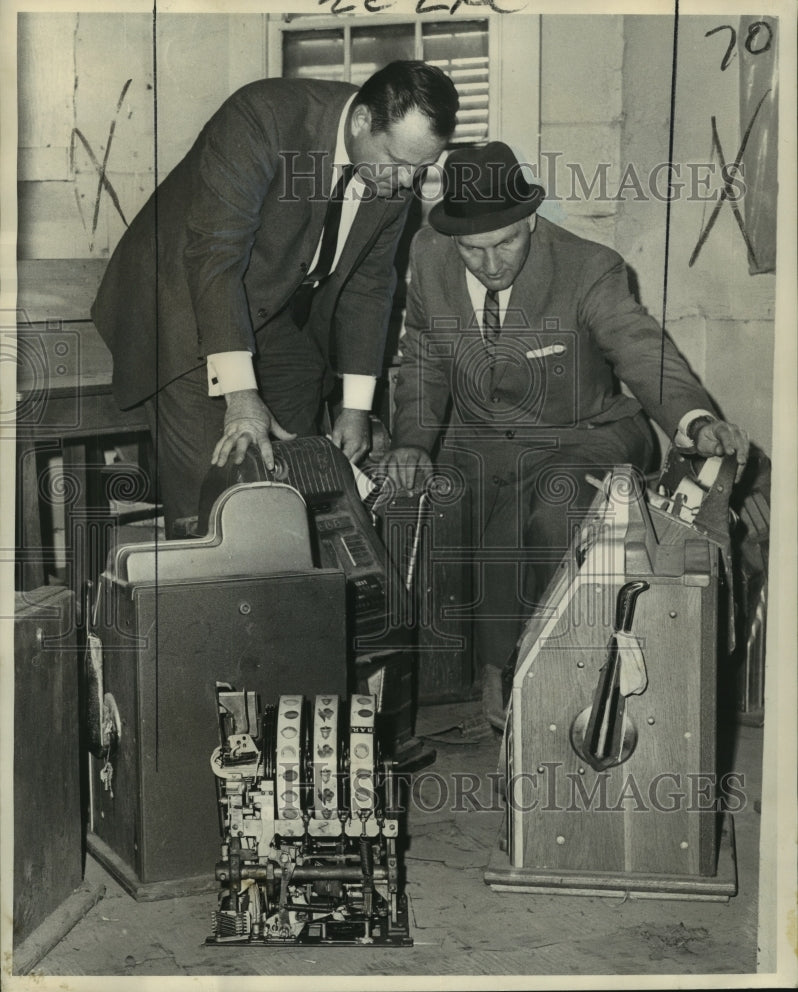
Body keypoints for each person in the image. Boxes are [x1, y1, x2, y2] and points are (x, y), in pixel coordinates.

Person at [380, 140, 750, 730]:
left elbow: (640, 348)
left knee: (554, 503)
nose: (492, 263)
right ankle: (430, 686)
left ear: (530, 219)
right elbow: (423, 355)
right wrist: (409, 443)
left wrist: (694, 420)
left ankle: (531, 668)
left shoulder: (589, 266)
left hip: (583, 432)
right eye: (474, 250)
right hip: (479, 437)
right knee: (411, 504)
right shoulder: (427, 255)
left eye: (506, 243)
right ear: (452, 239)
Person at [92, 61, 459, 534]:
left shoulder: (393, 169)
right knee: (222, 493)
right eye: (400, 163)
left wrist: (355, 406)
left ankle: (282, 592)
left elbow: (369, 286)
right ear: (362, 121)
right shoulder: (263, 116)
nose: (409, 183)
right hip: (183, 299)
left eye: (423, 168)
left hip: (279, 309)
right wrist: (242, 398)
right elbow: (214, 257)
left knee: (300, 483)